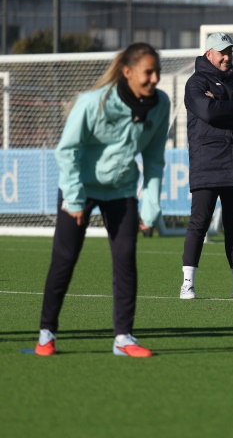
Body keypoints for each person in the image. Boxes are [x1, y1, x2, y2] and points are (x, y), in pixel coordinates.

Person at [35, 42, 170, 358]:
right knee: (64, 259)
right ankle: (46, 333)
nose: (154, 79)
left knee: (126, 260)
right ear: (127, 72)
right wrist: (74, 197)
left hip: (121, 191)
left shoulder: (161, 103)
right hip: (79, 188)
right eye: (148, 73)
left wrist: (150, 205)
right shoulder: (92, 102)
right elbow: (67, 150)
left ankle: (123, 338)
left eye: (157, 72)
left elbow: (153, 158)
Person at [179, 32, 233, 300]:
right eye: (222, 52)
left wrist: (223, 104)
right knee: (199, 223)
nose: (227, 57)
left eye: (230, 52)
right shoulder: (195, 83)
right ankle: (187, 284)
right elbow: (208, 112)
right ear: (209, 55)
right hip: (207, 163)